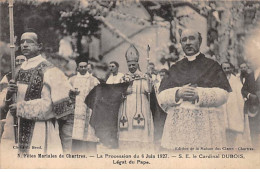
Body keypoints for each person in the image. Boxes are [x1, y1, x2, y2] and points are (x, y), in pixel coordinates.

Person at [1, 31, 74, 156]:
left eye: (29, 42)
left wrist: (20, 108)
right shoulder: (16, 70)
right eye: (22, 42)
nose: (24, 45)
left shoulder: (50, 71)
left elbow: (51, 106)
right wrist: (9, 94)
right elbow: (5, 103)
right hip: (14, 128)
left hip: (39, 129)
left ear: (39, 46)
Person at [158, 29, 231, 149]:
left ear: (200, 41)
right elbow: (161, 96)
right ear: (181, 44)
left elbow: (224, 94)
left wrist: (200, 94)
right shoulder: (175, 68)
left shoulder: (213, 65)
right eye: (184, 40)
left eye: (192, 38)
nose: (188, 43)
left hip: (205, 129)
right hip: (179, 130)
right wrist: (178, 93)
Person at [118, 44, 154, 151]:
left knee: (140, 131)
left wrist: (149, 81)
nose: (132, 67)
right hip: (127, 106)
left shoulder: (143, 76)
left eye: (133, 65)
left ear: (137, 64)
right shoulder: (123, 78)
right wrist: (123, 92)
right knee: (127, 128)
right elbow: (118, 93)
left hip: (141, 105)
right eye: (130, 65)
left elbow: (148, 91)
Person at [69, 59, 99, 153]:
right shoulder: (72, 80)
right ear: (77, 68)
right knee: (75, 134)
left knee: (89, 135)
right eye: (80, 67)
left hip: (88, 111)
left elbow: (99, 94)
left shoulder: (93, 80)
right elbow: (66, 93)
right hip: (75, 111)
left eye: (84, 66)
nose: (82, 68)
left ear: (87, 67)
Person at [221, 62, 251, 147]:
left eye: (228, 68)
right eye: (224, 68)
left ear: (231, 69)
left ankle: (232, 146)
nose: (226, 70)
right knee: (224, 128)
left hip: (233, 107)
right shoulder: (218, 79)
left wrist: (242, 104)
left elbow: (241, 92)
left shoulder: (235, 80)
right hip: (222, 106)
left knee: (233, 128)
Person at [0, 55, 26, 140]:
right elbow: (2, 103)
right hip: (11, 117)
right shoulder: (7, 78)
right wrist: (9, 94)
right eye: (17, 60)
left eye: (22, 60)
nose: (19, 62)